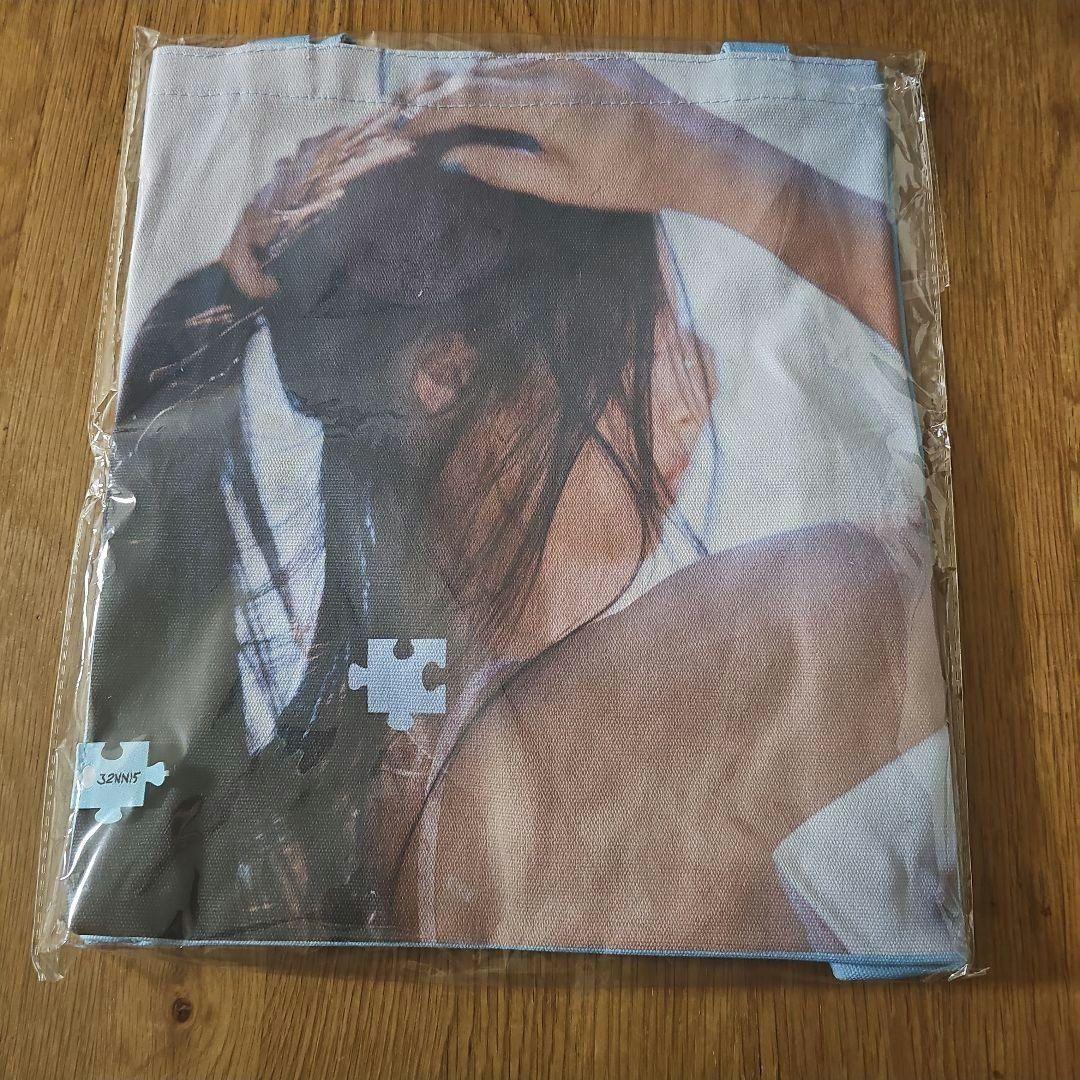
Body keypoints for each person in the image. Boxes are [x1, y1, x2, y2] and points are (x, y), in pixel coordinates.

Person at [72, 57, 951, 956]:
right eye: (643, 330)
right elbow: (1008, 579)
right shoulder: (619, 730)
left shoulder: (328, 795)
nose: (702, 384)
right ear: (445, 376)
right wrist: (727, 172)